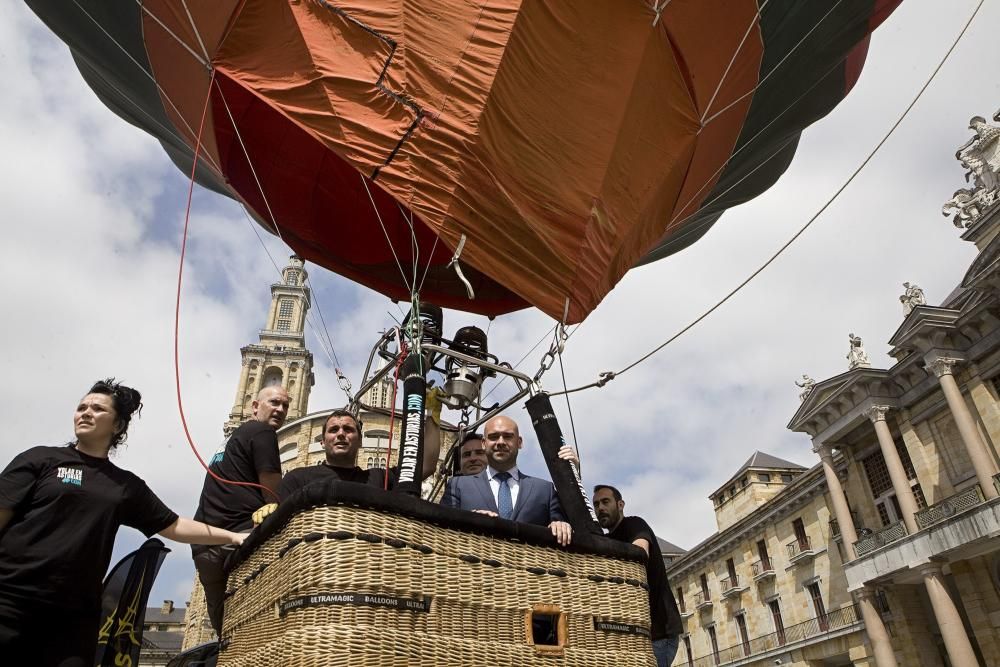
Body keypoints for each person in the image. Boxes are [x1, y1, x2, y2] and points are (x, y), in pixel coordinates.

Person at [0, 378, 246, 667]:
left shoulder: (124, 486)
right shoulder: (41, 460)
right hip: (10, 600)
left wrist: (233, 537)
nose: (86, 412)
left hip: (74, 618)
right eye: (81, 407)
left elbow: (175, 525)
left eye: (97, 408)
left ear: (117, 426)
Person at [191, 385, 289, 637]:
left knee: (225, 629)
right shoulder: (262, 432)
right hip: (238, 538)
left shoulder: (231, 440)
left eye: (285, 405)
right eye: (274, 402)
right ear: (255, 406)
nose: (280, 409)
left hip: (204, 546)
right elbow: (272, 492)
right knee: (260, 621)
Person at [441, 415, 572, 546]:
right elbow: (441, 528)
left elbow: (569, 530)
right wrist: (468, 519)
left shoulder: (544, 490)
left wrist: (572, 477)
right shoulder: (458, 485)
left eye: (508, 436)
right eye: (494, 437)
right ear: (483, 443)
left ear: (519, 442)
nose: (501, 442)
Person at [593, 485, 682, 667]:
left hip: (659, 633)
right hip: (636, 632)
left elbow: (640, 552)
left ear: (620, 505)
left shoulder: (634, 524)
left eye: (605, 501)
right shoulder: (606, 540)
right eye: (596, 504)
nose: (600, 508)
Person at [278, 408, 442, 500]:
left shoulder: (379, 478)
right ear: (322, 441)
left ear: (360, 441)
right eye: (334, 430)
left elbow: (426, 466)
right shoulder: (297, 479)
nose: (341, 434)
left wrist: (433, 416)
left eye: (348, 429)